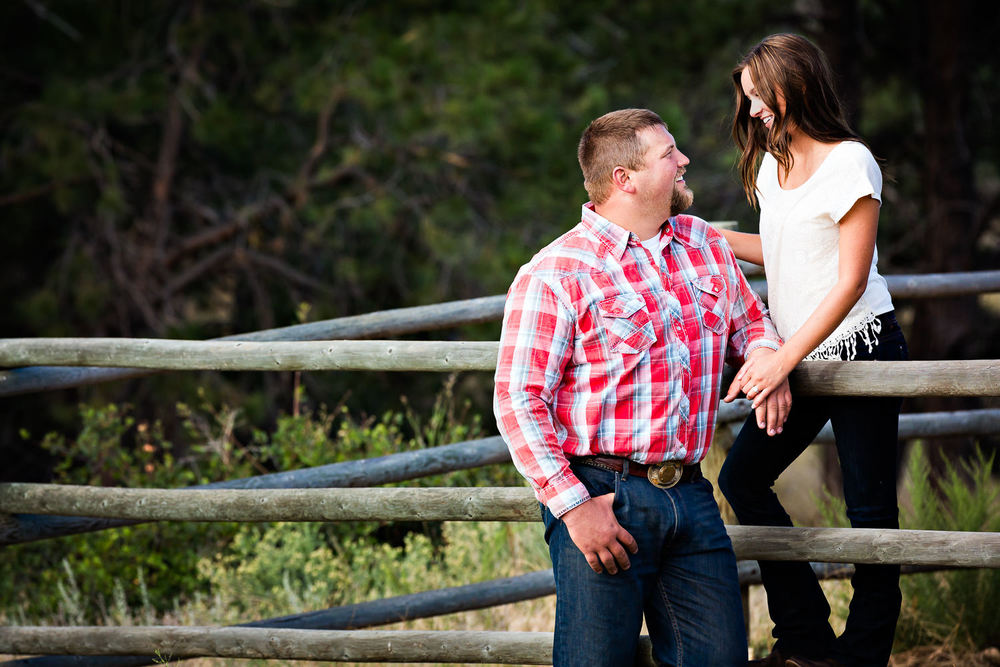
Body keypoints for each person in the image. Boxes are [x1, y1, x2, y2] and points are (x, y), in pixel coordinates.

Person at [494, 107, 790, 666]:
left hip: (692, 496)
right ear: (624, 180)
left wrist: (766, 358)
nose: (684, 161)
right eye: (668, 154)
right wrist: (575, 509)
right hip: (603, 494)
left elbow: (750, 321)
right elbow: (517, 400)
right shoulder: (557, 272)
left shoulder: (703, 244)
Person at [716, 34, 909, 667]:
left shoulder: (851, 163)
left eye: (760, 97)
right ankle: (805, 637)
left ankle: (862, 656)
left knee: (870, 511)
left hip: (861, 348)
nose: (753, 112)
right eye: (747, 100)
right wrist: (714, 239)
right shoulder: (772, 165)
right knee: (743, 478)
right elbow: (791, 254)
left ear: (795, 86)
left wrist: (779, 360)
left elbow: (850, 277)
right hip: (801, 355)